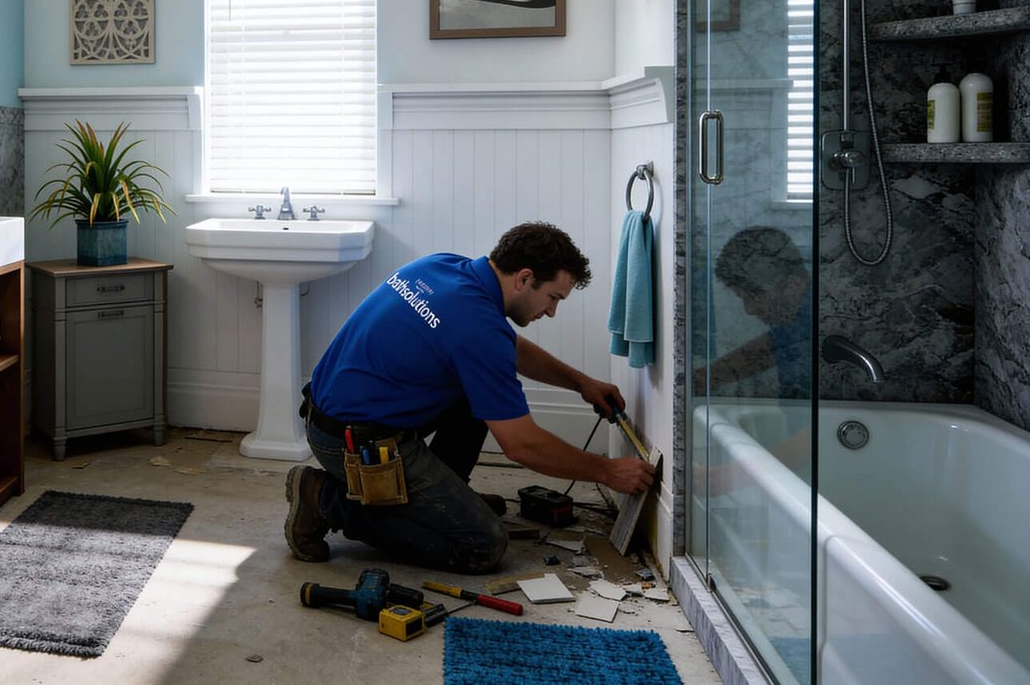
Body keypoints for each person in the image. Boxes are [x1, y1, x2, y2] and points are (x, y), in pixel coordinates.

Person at [285, 221, 657, 573]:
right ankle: (324, 499)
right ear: (524, 278)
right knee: (481, 545)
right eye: (552, 297)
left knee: (475, 394)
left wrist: (581, 383)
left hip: (332, 412)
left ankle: (445, 499)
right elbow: (522, 445)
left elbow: (503, 346)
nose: (551, 311)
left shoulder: (443, 267)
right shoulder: (478, 330)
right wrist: (607, 472)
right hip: (352, 443)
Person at [708, 226, 812, 401]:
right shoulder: (794, 317)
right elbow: (768, 349)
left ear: (793, 285)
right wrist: (703, 378)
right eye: (743, 298)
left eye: (753, 297)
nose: (749, 310)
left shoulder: (823, 319)